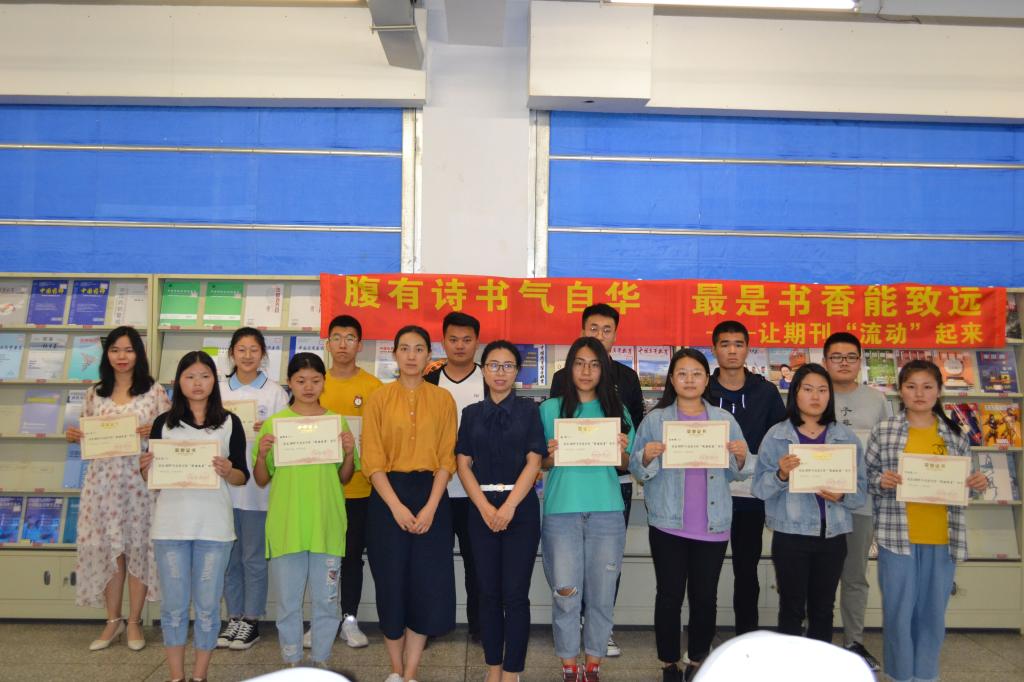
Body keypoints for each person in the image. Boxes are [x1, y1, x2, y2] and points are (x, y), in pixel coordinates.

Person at [630, 348, 750, 682]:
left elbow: (739, 472)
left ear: (706, 379)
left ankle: (698, 660)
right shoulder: (656, 420)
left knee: (705, 598)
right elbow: (637, 468)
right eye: (682, 373)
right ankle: (669, 662)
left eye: (696, 373)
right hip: (668, 523)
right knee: (669, 596)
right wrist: (647, 456)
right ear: (672, 379)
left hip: (712, 524)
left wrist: (741, 456)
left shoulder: (724, 421)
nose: (689, 380)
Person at [866, 360, 990, 682]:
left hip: (942, 537)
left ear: (939, 391)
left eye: (927, 387)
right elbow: (866, 478)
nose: (919, 394)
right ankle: (900, 675)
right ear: (900, 391)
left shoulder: (955, 434)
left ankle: (925, 675)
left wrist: (976, 484)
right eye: (911, 386)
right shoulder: (885, 431)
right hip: (897, 537)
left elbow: (966, 484)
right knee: (898, 612)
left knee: (933, 613)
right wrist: (881, 480)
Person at [140, 351, 249, 682]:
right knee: (173, 608)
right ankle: (176, 676)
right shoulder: (163, 423)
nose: (197, 383)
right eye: (190, 376)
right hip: (170, 527)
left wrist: (228, 470)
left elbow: (242, 476)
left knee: (207, 607)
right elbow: (152, 479)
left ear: (214, 380)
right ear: (178, 382)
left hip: (214, 529)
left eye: (204, 375)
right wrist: (145, 469)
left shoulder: (229, 423)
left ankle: (200, 675)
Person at [361, 325, 458, 682]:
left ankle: (412, 670)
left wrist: (431, 506)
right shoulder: (378, 398)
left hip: (432, 494)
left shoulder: (443, 399)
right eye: (405, 348)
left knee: (426, 583)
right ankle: (395, 670)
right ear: (395, 354)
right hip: (388, 496)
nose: (412, 355)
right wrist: (396, 506)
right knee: (391, 581)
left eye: (419, 349)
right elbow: (371, 459)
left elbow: (447, 458)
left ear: (429, 356)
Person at [65, 326, 171, 652]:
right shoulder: (94, 393)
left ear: (139, 354)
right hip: (102, 485)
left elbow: (172, 434)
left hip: (139, 485)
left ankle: (135, 621)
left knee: (138, 548)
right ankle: (113, 621)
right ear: (106, 354)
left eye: (128, 350)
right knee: (109, 551)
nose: (121, 356)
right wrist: (76, 436)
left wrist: (154, 430)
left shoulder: (154, 392)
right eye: (115, 350)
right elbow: (87, 432)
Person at [548, 303, 643, 657]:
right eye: (593, 328)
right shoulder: (558, 388)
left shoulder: (625, 385)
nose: (586, 371)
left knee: (604, 578)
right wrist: (553, 451)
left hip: (610, 492)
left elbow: (631, 448)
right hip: (568, 496)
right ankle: (571, 647)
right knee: (567, 581)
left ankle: (600, 639)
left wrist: (618, 450)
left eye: (607, 329)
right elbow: (547, 448)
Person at [252, 353, 359, 668]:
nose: (308, 387)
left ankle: (321, 660)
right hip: (288, 526)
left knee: (327, 601)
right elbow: (261, 479)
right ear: (290, 383)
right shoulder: (275, 424)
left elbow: (344, 477)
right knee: (288, 603)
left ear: (324, 382)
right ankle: (292, 661)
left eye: (315, 380)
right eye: (301, 380)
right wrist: (262, 455)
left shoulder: (336, 422)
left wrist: (349, 453)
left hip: (326, 525)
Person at [753, 363, 866, 642]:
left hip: (833, 535)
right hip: (791, 535)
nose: (815, 396)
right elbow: (759, 489)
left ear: (830, 395)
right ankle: (792, 663)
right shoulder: (776, 436)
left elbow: (861, 492)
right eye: (808, 389)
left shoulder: (846, 437)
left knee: (823, 608)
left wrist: (843, 495)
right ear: (795, 393)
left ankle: (819, 663)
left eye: (822, 390)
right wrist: (780, 475)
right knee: (791, 607)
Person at [456, 340, 545, 682]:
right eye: (494, 365)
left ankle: (512, 671)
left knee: (515, 595)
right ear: (484, 370)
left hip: (519, 511)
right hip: (480, 511)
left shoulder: (529, 411)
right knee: (488, 593)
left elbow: (534, 461)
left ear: (517, 371)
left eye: (508, 366)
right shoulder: (471, 414)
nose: (500, 372)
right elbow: (462, 464)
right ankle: (493, 668)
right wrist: (483, 506)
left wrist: (508, 507)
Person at [707, 321, 786, 635]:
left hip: (751, 496)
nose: (731, 351)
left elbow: (779, 439)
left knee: (746, 570)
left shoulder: (765, 392)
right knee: (705, 572)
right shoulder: (703, 389)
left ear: (747, 349)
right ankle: (702, 641)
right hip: (708, 494)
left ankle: (747, 635)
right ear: (714, 349)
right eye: (725, 344)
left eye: (738, 344)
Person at [217, 327, 289, 651]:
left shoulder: (275, 393)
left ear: (263, 354)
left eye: (254, 350)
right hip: (223, 488)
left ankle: (251, 619)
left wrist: (270, 432)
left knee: (253, 557)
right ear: (232, 353)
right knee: (229, 558)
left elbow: (288, 441)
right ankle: (233, 616)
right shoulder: (218, 390)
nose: (247, 356)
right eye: (241, 349)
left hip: (258, 491)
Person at [315, 314, 383, 650]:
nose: (343, 344)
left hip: (361, 490)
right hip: (319, 489)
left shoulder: (374, 387)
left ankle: (349, 619)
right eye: (337, 338)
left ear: (360, 344)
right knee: (320, 557)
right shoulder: (315, 383)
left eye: (350, 338)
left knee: (352, 556)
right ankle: (322, 620)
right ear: (328, 344)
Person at [822, 332, 889, 671]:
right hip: (818, 501)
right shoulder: (815, 393)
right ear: (825, 362)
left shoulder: (877, 400)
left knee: (854, 576)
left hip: (861, 503)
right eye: (836, 357)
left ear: (860, 361)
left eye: (851, 357)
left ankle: (854, 641)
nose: (844, 363)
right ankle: (816, 639)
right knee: (817, 577)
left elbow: (888, 448)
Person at [424, 311, 485, 642]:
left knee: (479, 564)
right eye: (453, 339)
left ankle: (481, 627)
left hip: (478, 492)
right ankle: (433, 626)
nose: (460, 346)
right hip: (437, 491)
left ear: (477, 342)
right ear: (443, 342)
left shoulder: (489, 379)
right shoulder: (429, 380)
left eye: (467, 339)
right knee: (434, 563)